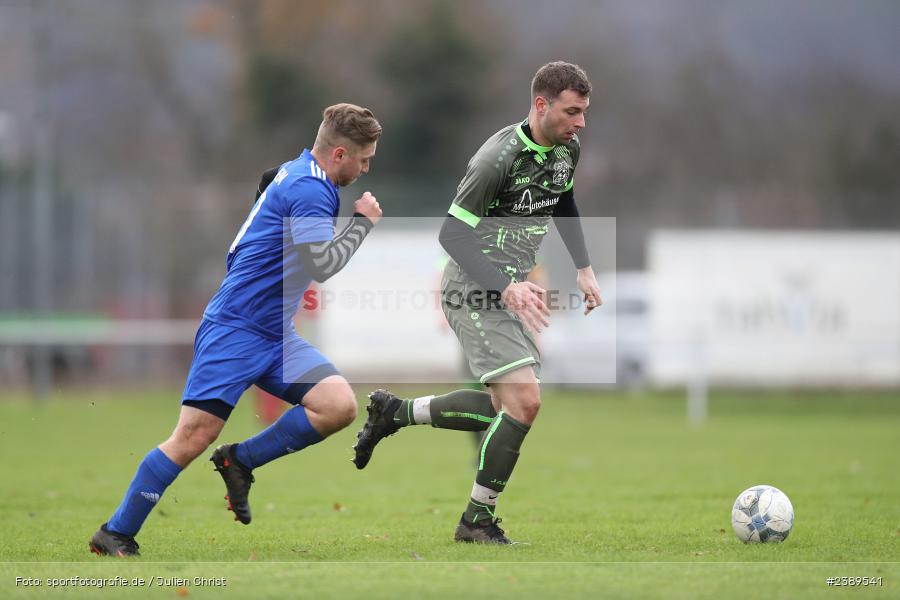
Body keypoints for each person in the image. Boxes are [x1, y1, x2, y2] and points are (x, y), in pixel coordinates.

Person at [90, 103, 383, 556]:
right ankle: (115, 532)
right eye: (364, 159)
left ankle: (240, 460)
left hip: (274, 334)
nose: (366, 169)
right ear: (340, 153)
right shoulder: (310, 189)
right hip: (235, 331)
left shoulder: (297, 171)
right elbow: (323, 264)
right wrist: (362, 223)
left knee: (336, 405)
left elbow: (266, 189)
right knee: (191, 437)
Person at [352, 62, 602, 544]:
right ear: (541, 104)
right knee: (525, 402)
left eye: (585, 112)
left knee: (500, 409)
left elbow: (563, 200)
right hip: (473, 290)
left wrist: (584, 267)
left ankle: (395, 413)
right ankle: (476, 522)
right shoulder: (495, 160)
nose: (581, 123)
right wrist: (506, 287)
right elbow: (451, 234)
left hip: (510, 291)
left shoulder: (567, 148)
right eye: (573, 111)